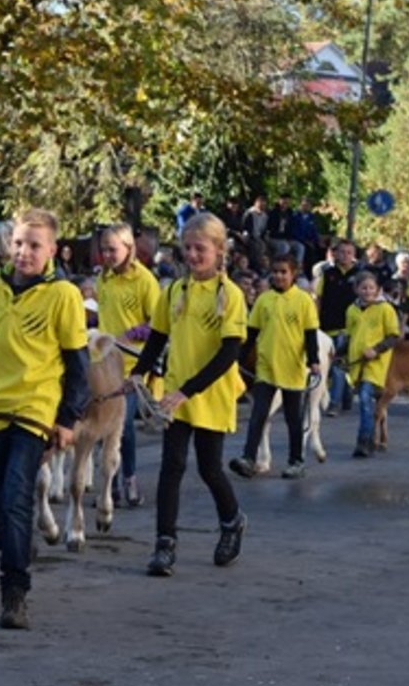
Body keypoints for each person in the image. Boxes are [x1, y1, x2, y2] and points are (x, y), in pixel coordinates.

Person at [0, 208, 88, 629]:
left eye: (34, 245)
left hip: (35, 410)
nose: (24, 252)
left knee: (16, 495)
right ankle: (18, 548)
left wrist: (67, 419)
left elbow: (77, 365)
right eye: (19, 243)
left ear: (52, 251)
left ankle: (14, 591)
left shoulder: (64, 295)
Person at [127, 212, 248, 577]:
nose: (193, 255)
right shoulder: (175, 291)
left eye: (201, 249)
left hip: (209, 393)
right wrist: (136, 374)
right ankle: (165, 544)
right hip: (174, 395)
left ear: (218, 251)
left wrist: (186, 391)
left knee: (210, 467)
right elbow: (158, 337)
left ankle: (232, 521)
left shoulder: (231, 295)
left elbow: (229, 353)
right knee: (172, 466)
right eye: (187, 248)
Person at [230, 255, 321, 479]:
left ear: (293, 274)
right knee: (258, 415)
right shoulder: (264, 300)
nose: (279, 276)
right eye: (276, 272)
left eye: (284, 272)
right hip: (266, 368)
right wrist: (237, 361)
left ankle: (296, 461)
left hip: (293, 369)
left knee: (293, 419)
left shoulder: (303, 301)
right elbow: (252, 334)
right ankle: (248, 458)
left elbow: (310, 334)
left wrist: (314, 361)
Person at [96, 223, 162, 507]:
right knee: (100, 426)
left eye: (113, 249)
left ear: (128, 248)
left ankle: (130, 478)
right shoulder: (103, 279)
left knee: (123, 427)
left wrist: (131, 334)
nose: (108, 255)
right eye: (104, 250)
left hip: (132, 365)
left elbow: (159, 325)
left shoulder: (145, 280)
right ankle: (108, 482)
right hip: (103, 362)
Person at [345, 271, 401, 458]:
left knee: (364, 399)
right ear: (356, 289)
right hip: (356, 364)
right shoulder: (351, 310)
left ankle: (364, 441)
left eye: (371, 288)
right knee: (364, 401)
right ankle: (369, 440)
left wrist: (376, 350)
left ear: (377, 289)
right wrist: (339, 354)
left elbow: (394, 336)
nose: (367, 291)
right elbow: (350, 335)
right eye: (363, 288)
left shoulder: (385, 309)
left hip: (375, 363)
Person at [316, 239, 363, 414]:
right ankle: (345, 395)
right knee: (329, 365)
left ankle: (334, 402)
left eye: (349, 252)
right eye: (342, 252)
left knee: (339, 365)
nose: (345, 256)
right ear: (335, 253)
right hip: (328, 324)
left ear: (354, 255)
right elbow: (318, 298)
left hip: (348, 327)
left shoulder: (359, 275)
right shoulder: (327, 274)